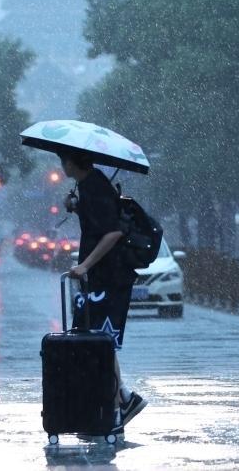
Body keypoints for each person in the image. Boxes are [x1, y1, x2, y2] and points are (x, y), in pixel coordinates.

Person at [60, 150, 147, 437]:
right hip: (101, 278)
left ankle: (114, 410)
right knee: (99, 341)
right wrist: (75, 206)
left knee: (99, 342)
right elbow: (99, 224)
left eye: (64, 161)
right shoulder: (90, 186)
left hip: (110, 278)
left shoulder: (96, 187)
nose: (63, 165)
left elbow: (112, 233)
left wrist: (85, 264)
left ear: (72, 163)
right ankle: (121, 399)